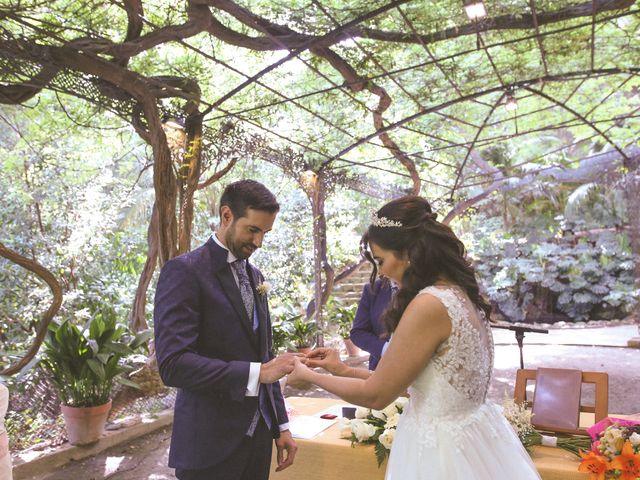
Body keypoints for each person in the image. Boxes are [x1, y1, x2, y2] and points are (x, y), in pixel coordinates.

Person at [289, 195, 541, 480]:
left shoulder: (428, 304)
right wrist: (341, 370)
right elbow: (424, 388)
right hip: (473, 438)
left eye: (381, 260)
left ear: (408, 253)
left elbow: (377, 395)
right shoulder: (459, 294)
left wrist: (309, 376)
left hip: (440, 455)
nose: (381, 272)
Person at [154, 179, 301, 480]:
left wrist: (280, 425)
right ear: (226, 216)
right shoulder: (185, 272)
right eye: (253, 230)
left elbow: (265, 356)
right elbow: (173, 365)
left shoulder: (255, 274)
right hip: (208, 446)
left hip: (257, 440)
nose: (259, 242)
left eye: (265, 233)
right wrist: (256, 374)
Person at [349, 277, 394, 370]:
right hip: (380, 368)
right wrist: (385, 349)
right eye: (380, 263)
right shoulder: (373, 289)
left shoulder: (425, 290)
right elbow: (358, 332)